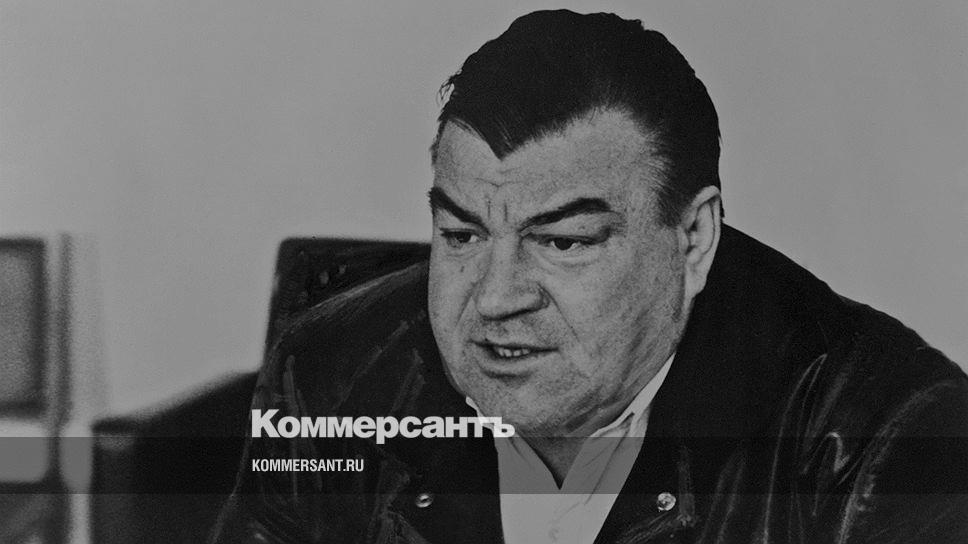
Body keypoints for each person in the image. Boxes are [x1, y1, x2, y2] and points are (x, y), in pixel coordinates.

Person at [211, 10, 968, 544]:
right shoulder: (327, 374)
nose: (495, 298)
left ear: (694, 239)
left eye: (564, 243)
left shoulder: (886, 440)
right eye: (462, 234)